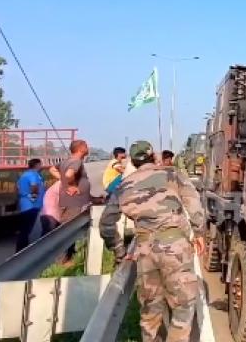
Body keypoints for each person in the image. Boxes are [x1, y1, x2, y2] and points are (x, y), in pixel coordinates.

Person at [99, 141, 206, 342]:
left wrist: (119, 251)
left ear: (133, 161)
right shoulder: (172, 175)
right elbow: (194, 205)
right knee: (183, 306)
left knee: (151, 309)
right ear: (154, 156)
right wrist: (199, 233)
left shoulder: (123, 186)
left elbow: (105, 224)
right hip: (176, 248)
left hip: (145, 251)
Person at [50, 139, 92, 264]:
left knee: (67, 228)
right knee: (69, 229)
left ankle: (67, 257)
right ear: (80, 149)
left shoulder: (67, 161)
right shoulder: (76, 162)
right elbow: (69, 175)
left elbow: (52, 169)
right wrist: (70, 185)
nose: (88, 147)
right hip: (72, 203)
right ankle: (62, 260)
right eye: (86, 145)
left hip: (68, 201)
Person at [15, 158, 46, 252]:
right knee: (26, 230)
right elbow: (34, 187)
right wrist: (33, 199)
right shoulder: (33, 175)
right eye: (40, 164)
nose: (41, 166)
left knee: (24, 229)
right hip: (31, 206)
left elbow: (16, 187)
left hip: (25, 205)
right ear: (37, 165)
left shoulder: (24, 174)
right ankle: (21, 250)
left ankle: (22, 249)